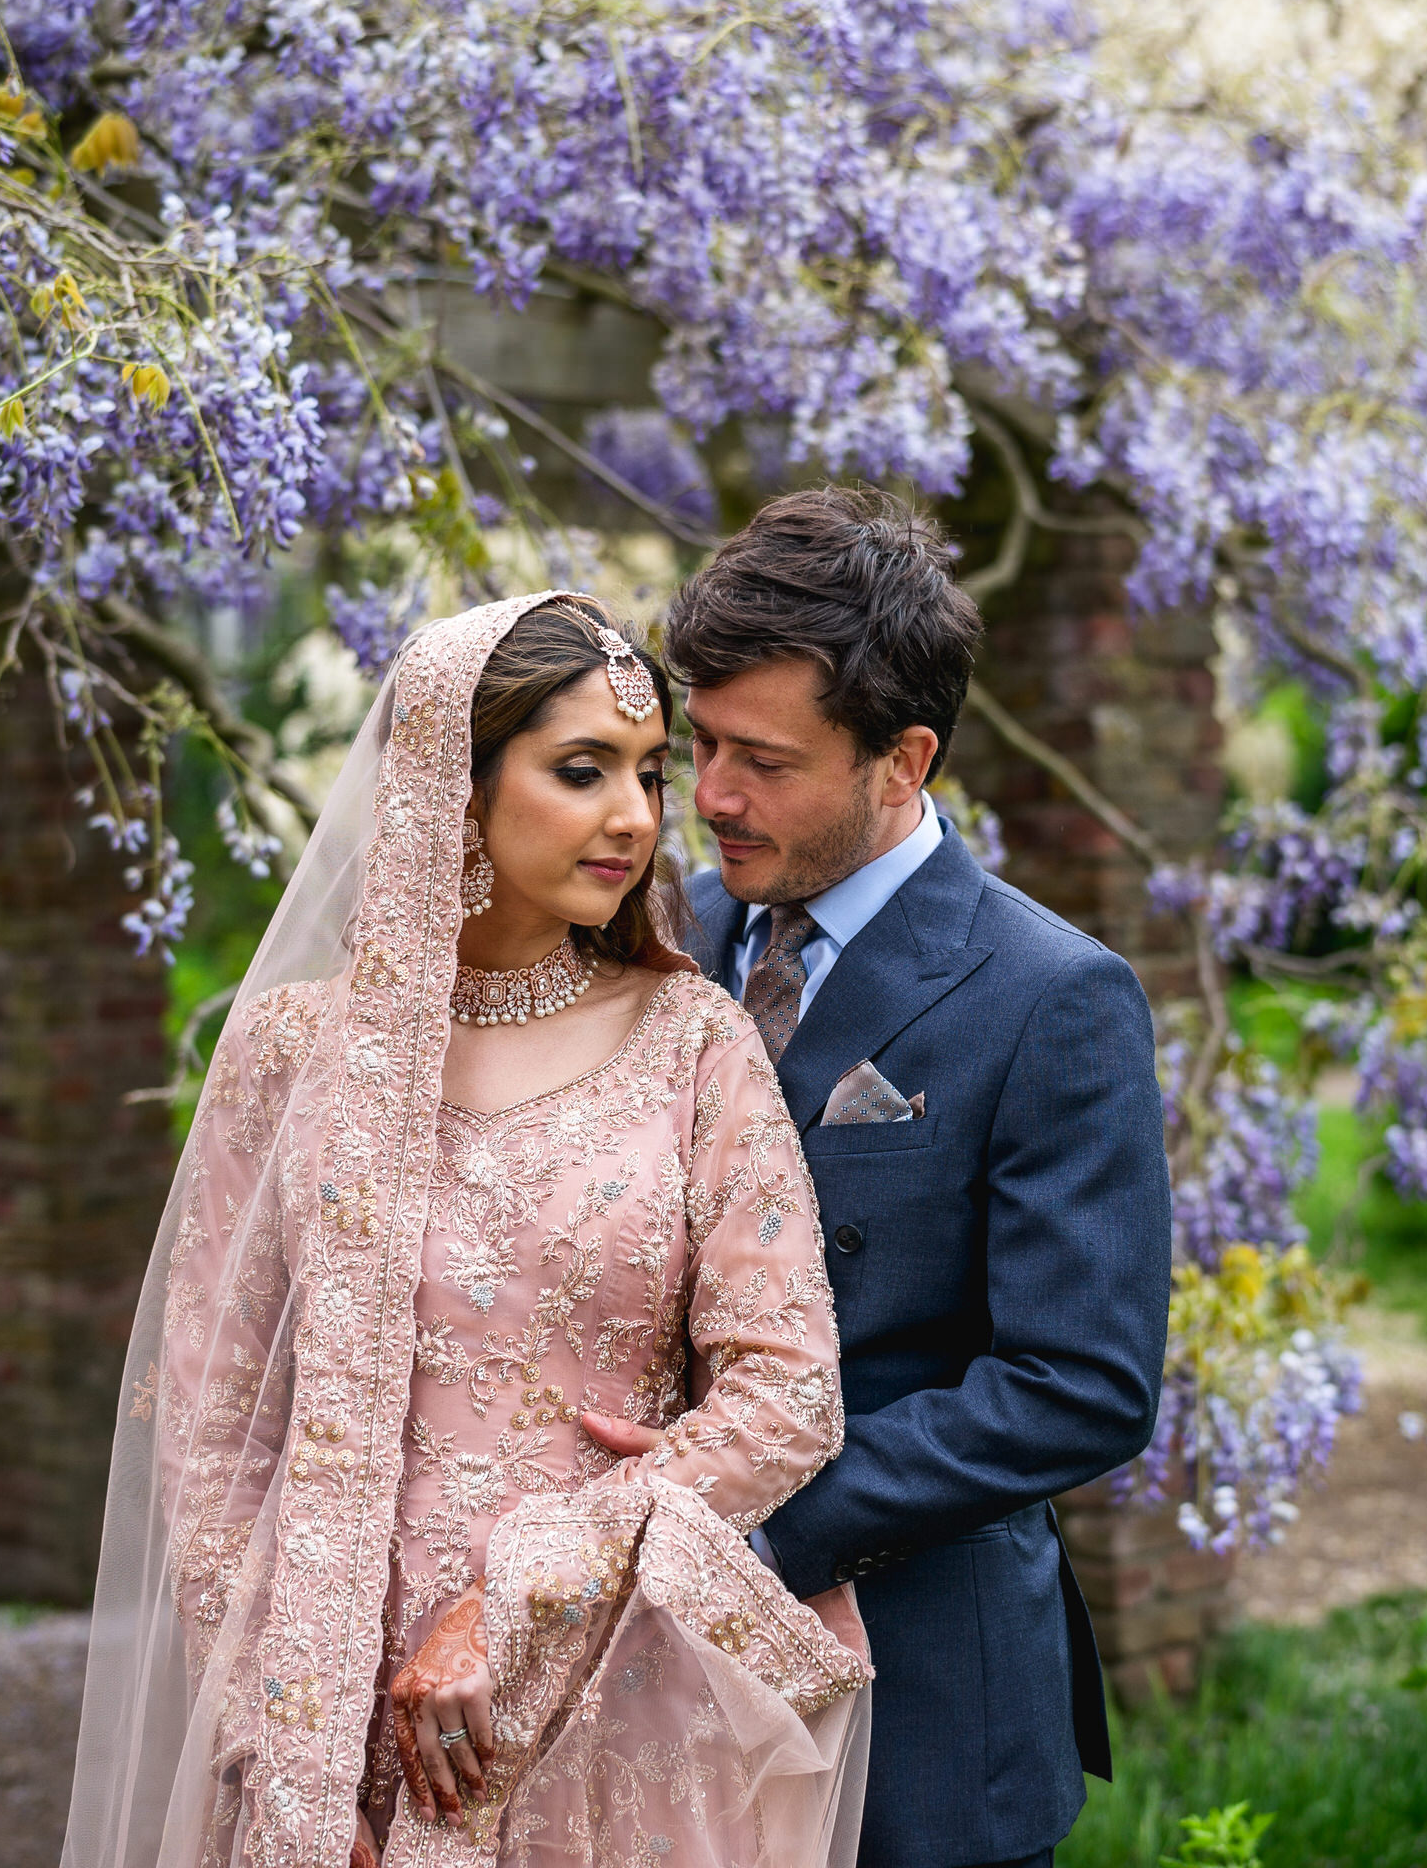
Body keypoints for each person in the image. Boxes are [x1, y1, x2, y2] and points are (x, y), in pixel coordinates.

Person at [59, 593, 872, 1868]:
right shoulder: (292, 1054)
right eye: (582, 770)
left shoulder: (692, 1043)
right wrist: (279, 1752)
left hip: (605, 1697)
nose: (635, 816)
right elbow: (215, 1431)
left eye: (650, 773)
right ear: (457, 780)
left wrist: (534, 1583)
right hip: (335, 1705)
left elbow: (789, 1392)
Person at [647, 487, 1174, 1868]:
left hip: (920, 1714)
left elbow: (1081, 1383)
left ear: (904, 759)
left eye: (765, 760)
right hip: (641, 1709)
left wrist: (753, 1520)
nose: (713, 796)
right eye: (702, 744)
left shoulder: (1052, 995)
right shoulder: (666, 929)